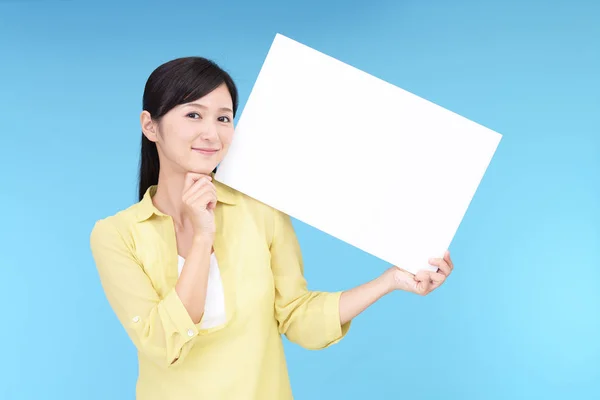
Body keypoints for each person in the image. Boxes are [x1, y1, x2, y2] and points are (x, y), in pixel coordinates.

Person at [89, 56, 454, 400]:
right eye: (194, 115)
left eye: (223, 118)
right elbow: (163, 344)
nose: (211, 134)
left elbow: (297, 316)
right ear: (150, 126)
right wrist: (203, 238)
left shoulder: (260, 209)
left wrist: (390, 280)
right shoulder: (116, 235)